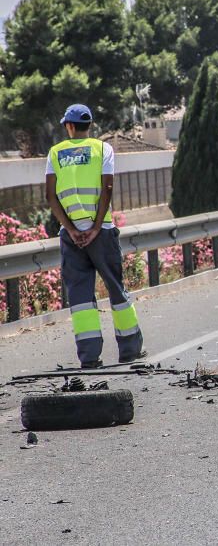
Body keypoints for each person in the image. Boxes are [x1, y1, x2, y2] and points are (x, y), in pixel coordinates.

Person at [46, 104, 144, 368]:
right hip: (102, 233)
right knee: (115, 288)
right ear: (90, 126)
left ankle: (89, 358)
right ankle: (130, 350)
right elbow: (107, 188)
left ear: (68, 126)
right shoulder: (103, 149)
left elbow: (51, 197)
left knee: (79, 297)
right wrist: (96, 227)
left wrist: (70, 228)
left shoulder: (55, 153)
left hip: (71, 236)